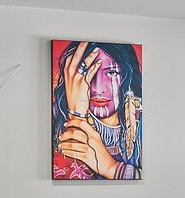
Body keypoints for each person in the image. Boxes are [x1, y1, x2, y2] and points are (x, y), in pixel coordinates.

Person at [52, 40, 142, 179]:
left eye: (111, 73)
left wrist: (112, 169)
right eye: (88, 73)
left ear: (128, 77)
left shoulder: (143, 121)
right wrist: (76, 114)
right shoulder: (53, 116)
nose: (98, 89)